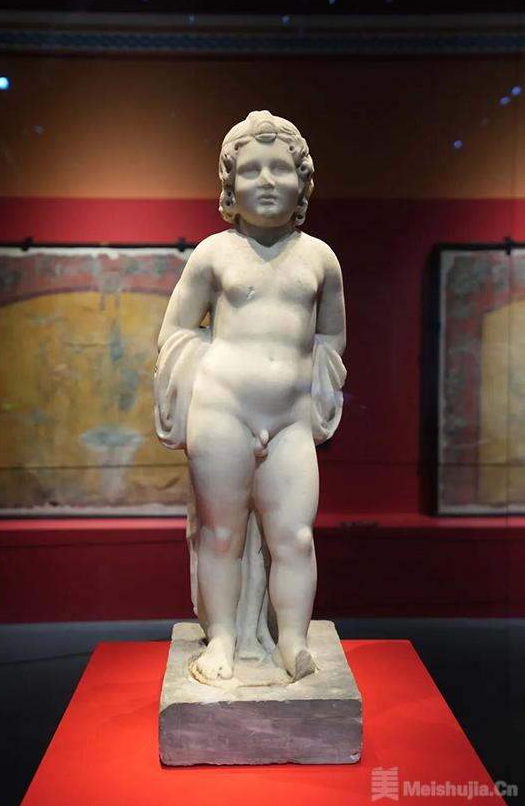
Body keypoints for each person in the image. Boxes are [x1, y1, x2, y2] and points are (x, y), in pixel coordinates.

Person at [155, 110, 346, 683]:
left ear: (303, 182)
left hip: (288, 419)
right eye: (252, 169)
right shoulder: (214, 253)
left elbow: (331, 335)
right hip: (223, 410)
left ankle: (292, 640)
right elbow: (177, 328)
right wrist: (197, 379)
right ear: (229, 184)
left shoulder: (320, 258)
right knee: (222, 535)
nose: (266, 181)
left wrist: (314, 388)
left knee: (295, 536)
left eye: (280, 168)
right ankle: (222, 638)